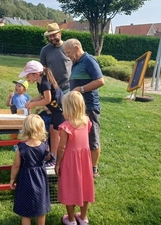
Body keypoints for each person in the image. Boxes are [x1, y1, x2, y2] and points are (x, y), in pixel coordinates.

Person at [63, 38, 105, 178]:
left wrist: (80, 89)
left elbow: (100, 81)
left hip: (89, 107)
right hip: (77, 108)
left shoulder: (89, 60)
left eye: (68, 52)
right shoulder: (75, 63)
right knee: (80, 138)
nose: (67, 56)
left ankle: (94, 169)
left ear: (76, 48)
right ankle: (83, 165)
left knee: (92, 137)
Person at [55, 91, 95, 225]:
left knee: (69, 188)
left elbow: (61, 148)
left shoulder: (66, 127)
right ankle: (83, 218)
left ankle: (71, 219)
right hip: (85, 161)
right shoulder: (87, 121)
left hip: (70, 162)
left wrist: (57, 163)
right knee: (85, 187)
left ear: (68, 108)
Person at [19, 60, 65, 167]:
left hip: (61, 110)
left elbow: (47, 100)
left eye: (28, 75)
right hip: (55, 111)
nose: (27, 78)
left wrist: (34, 105)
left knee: (55, 133)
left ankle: (55, 157)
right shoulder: (40, 83)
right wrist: (32, 101)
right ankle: (53, 156)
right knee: (53, 132)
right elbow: (42, 96)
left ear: (36, 74)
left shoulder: (44, 82)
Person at [10, 114, 51, 225]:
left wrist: (12, 179)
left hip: (25, 180)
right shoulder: (45, 146)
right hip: (40, 180)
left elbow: (16, 165)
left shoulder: (21, 148)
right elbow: (47, 158)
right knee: (41, 210)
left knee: (25, 212)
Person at [40, 23, 72, 93]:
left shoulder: (68, 47)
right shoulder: (45, 50)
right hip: (53, 88)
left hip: (69, 87)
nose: (52, 38)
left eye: (54, 35)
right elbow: (44, 69)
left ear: (60, 33)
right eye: (50, 36)